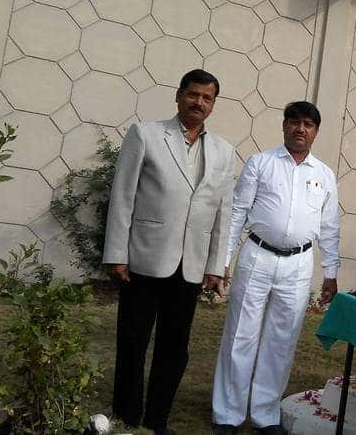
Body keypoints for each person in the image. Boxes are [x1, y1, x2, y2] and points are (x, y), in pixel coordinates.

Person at [103, 69, 237, 435]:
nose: (199, 102)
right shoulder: (145, 134)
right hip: (144, 259)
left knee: (175, 349)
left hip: (190, 267)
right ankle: (126, 416)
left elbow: (223, 212)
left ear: (213, 105)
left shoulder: (224, 151)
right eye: (193, 94)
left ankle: (157, 418)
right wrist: (117, 253)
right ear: (178, 96)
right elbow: (122, 195)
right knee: (133, 342)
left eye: (207, 98)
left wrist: (215, 265)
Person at [212, 101, 340, 435]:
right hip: (258, 256)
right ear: (284, 126)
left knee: (282, 340)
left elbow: (330, 227)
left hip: (299, 263)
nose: (300, 129)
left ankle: (265, 414)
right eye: (294, 122)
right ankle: (228, 413)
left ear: (315, 131)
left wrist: (331, 271)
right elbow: (238, 212)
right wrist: (223, 260)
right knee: (241, 333)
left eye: (308, 124)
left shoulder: (324, 175)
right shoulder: (261, 163)